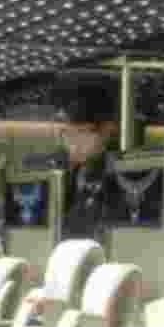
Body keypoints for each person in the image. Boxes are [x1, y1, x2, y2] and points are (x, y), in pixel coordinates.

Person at [57, 83, 121, 244]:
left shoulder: (118, 175)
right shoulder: (68, 175)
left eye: (82, 133)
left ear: (107, 131)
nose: (73, 143)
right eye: (68, 134)